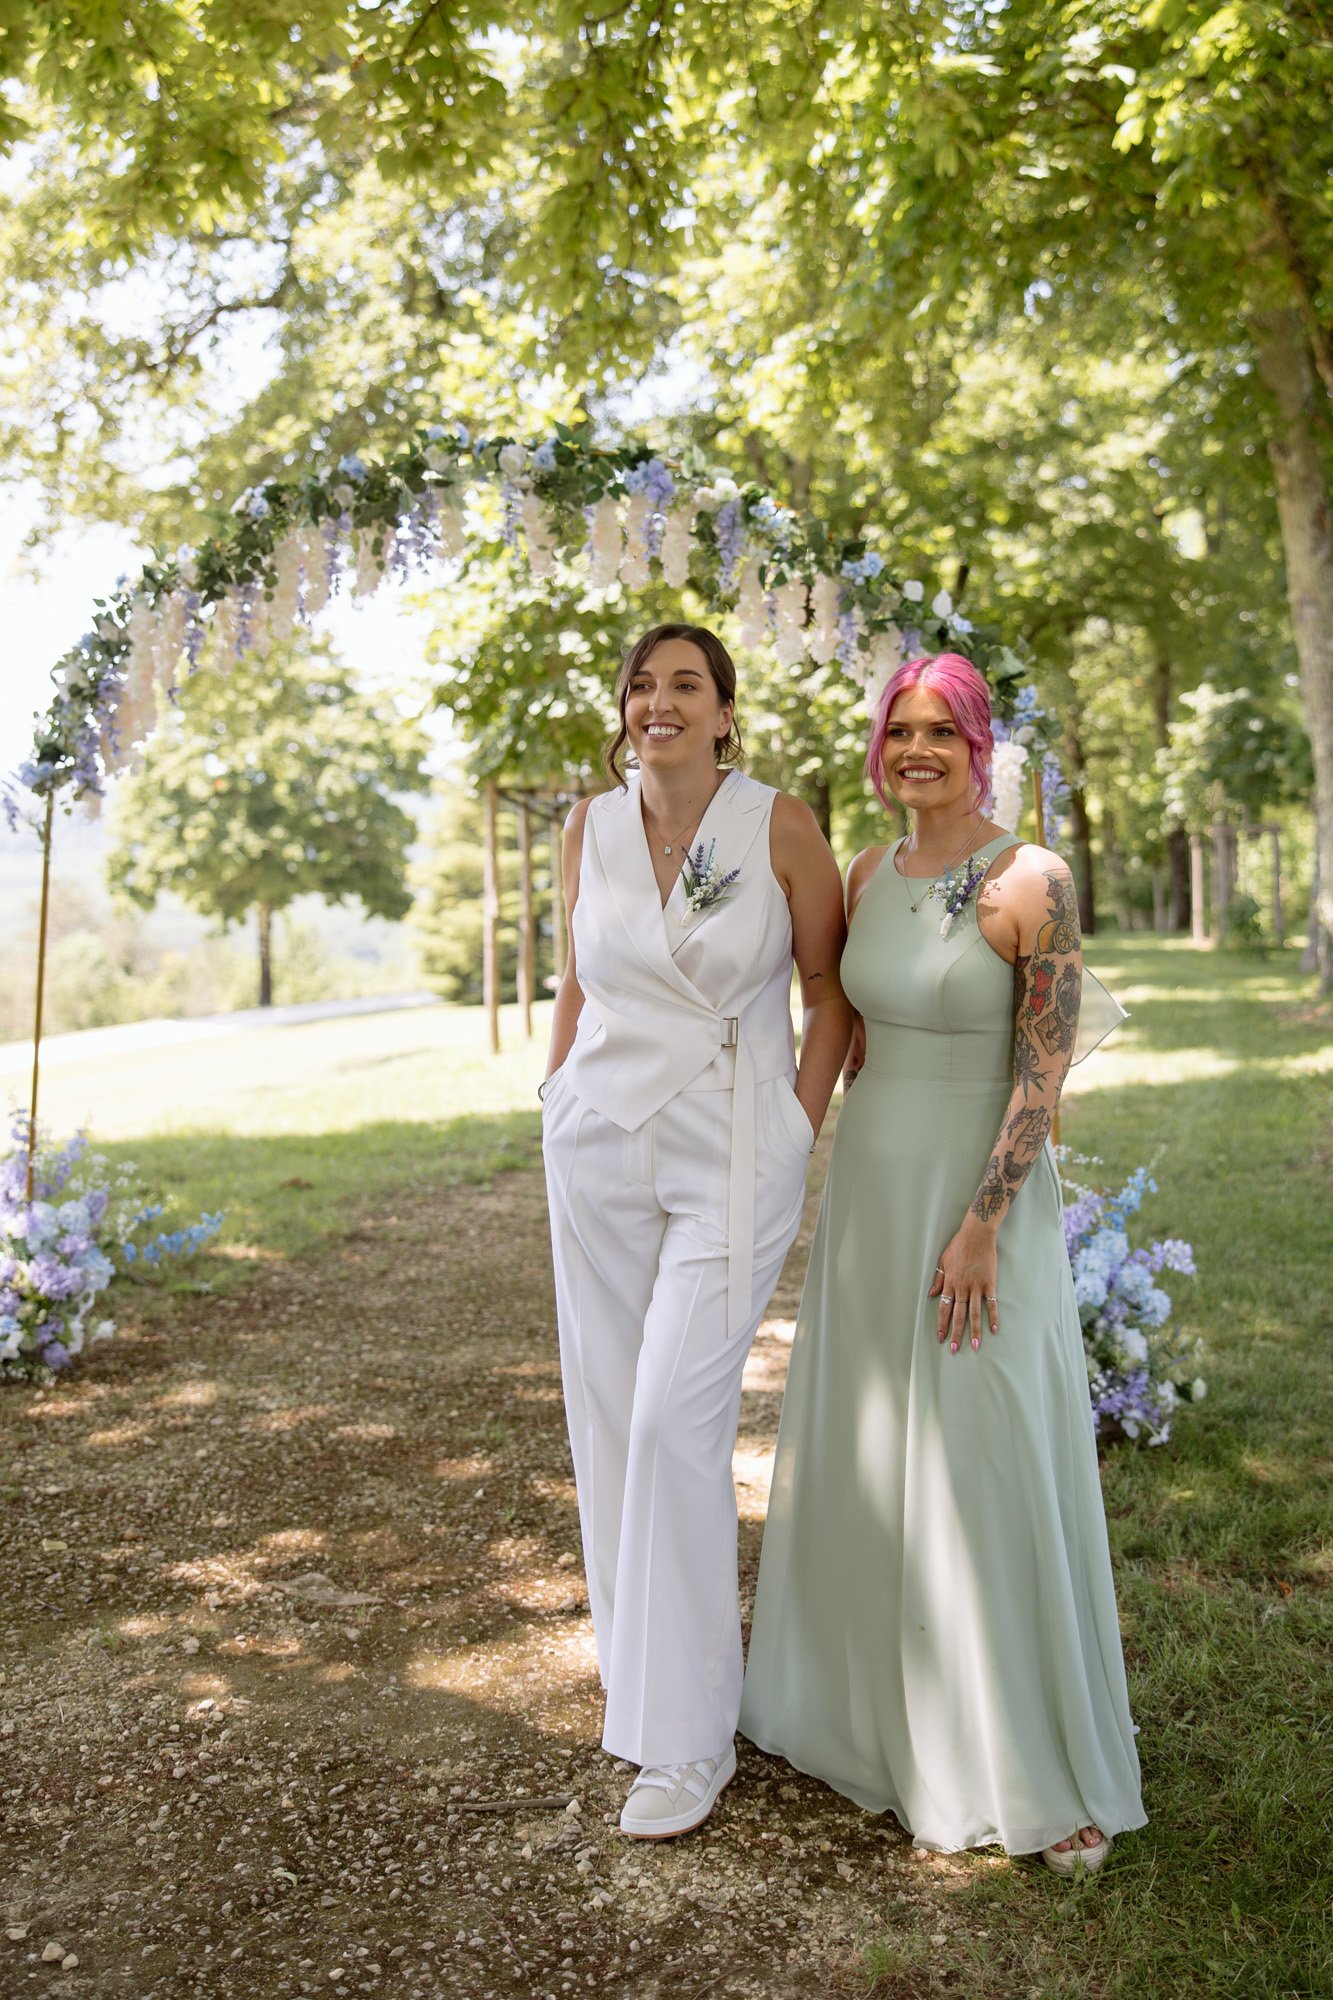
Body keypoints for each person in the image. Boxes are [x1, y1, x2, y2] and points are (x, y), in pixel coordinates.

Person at [740, 652, 1146, 1874]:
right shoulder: (866, 872)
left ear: (980, 745)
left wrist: (982, 1220)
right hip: (873, 1186)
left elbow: (1042, 1074)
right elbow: (839, 1030)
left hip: (980, 1204)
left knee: (982, 1451)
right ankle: (865, 1712)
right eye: (899, 729)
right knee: (873, 1445)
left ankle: (1027, 1753)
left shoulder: (1034, 879)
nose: (917, 749)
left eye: (941, 731)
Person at [541, 623, 853, 1840]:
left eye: (685, 686)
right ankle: (644, 1683)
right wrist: (552, 1092)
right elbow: (576, 972)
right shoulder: (590, 824)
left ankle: (686, 1744)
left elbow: (828, 991)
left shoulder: (776, 823)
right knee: (611, 1417)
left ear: (726, 712)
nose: (657, 702)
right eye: (640, 683)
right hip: (600, 1136)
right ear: (621, 707)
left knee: (676, 1419)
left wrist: (793, 1124)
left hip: (731, 1142)